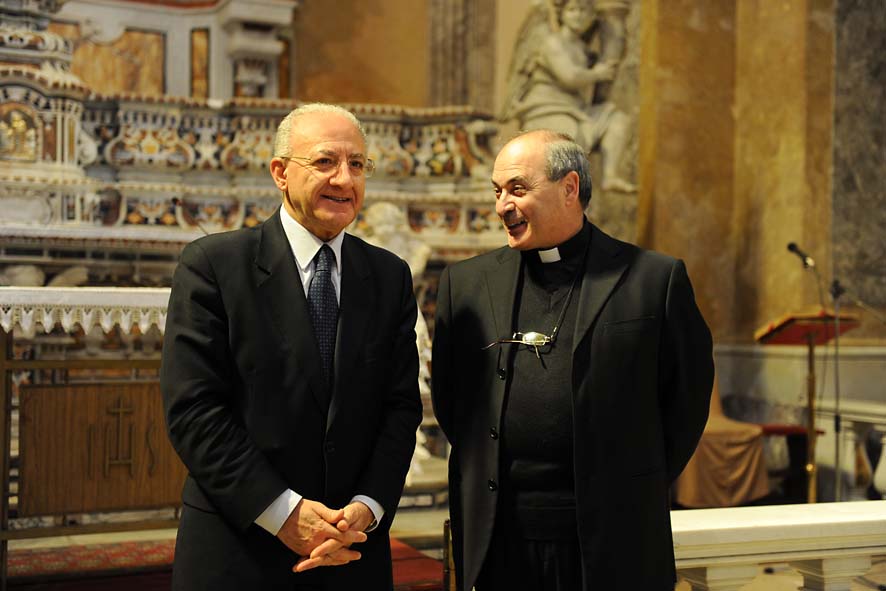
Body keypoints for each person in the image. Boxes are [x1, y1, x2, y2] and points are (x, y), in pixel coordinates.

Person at [432, 129, 713, 590]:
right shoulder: (464, 284)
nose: (503, 204)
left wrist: (630, 479)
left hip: (612, 540)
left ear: (569, 188)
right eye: (497, 191)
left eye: (518, 189)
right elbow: (452, 401)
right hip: (501, 540)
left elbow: (686, 400)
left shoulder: (653, 280)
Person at [161, 103, 422, 590]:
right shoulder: (215, 266)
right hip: (240, 549)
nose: (344, 179)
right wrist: (284, 513)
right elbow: (194, 410)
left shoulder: (389, 276)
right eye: (325, 162)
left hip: (351, 552)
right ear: (280, 173)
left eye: (358, 164)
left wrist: (366, 509)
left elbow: (400, 407)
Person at [501, 0, 635, 192]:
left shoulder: (582, 48)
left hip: (576, 109)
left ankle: (610, 175)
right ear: (561, 14)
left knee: (617, 120)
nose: (578, 15)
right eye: (573, 10)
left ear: (591, 18)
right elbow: (569, 76)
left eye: (584, 11)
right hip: (548, 107)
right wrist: (597, 73)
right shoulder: (552, 42)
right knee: (568, 143)